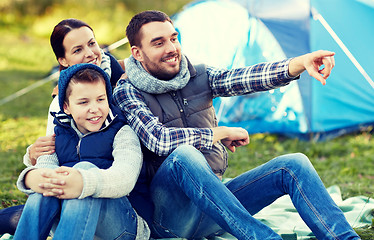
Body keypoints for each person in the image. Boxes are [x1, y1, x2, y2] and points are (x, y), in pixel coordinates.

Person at [112, 10, 361, 240]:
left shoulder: (197, 75)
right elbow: (159, 140)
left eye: (174, 38)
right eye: (159, 42)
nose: (171, 48)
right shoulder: (127, 91)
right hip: (171, 218)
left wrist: (299, 63)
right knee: (183, 155)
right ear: (137, 53)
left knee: (293, 164)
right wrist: (218, 133)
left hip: (217, 210)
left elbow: (244, 78)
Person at [0, 18, 125, 235]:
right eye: (78, 49)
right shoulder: (59, 102)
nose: (90, 53)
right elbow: (53, 150)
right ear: (63, 60)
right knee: (23, 213)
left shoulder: (123, 86)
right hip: (68, 190)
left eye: (92, 43)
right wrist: (31, 155)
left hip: (114, 195)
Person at [13, 63, 149, 240]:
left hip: (122, 227)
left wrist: (83, 181)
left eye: (101, 99)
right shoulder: (58, 133)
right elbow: (44, 169)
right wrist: (33, 177)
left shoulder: (122, 132)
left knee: (84, 168)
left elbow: (126, 177)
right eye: (83, 102)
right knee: (45, 186)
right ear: (66, 107)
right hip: (72, 221)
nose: (95, 108)